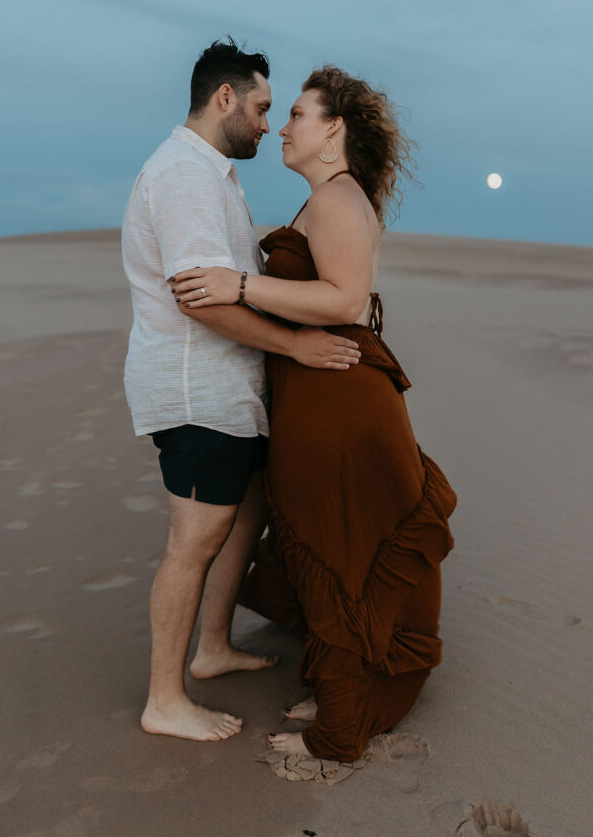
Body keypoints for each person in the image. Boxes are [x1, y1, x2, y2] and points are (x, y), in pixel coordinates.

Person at [170, 65, 457, 761]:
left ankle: (342, 724)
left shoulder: (336, 198)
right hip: (319, 395)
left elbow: (345, 299)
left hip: (338, 402)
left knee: (341, 548)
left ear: (334, 130)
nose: (282, 128)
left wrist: (240, 282)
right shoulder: (328, 198)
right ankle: (343, 691)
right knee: (332, 545)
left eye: (297, 114)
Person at [122, 41, 361, 743]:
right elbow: (199, 297)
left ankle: (214, 645)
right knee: (193, 539)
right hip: (196, 388)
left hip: (230, 390)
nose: (267, 124)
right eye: (261, 108)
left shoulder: (213, 175)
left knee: (244, 515)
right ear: (223, 98)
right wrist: (295, 344)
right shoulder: (186, 176)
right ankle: (164, 698)